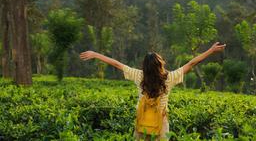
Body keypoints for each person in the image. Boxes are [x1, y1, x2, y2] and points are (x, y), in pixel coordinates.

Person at [80, 42, 226, 140]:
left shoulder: (139, 76)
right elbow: (192, 63)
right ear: (160, 64)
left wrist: (96, 54)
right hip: (161, 125)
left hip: (141, 123)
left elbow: (117, 64)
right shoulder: (169, 78)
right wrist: (211, 50)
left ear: (145, 66)